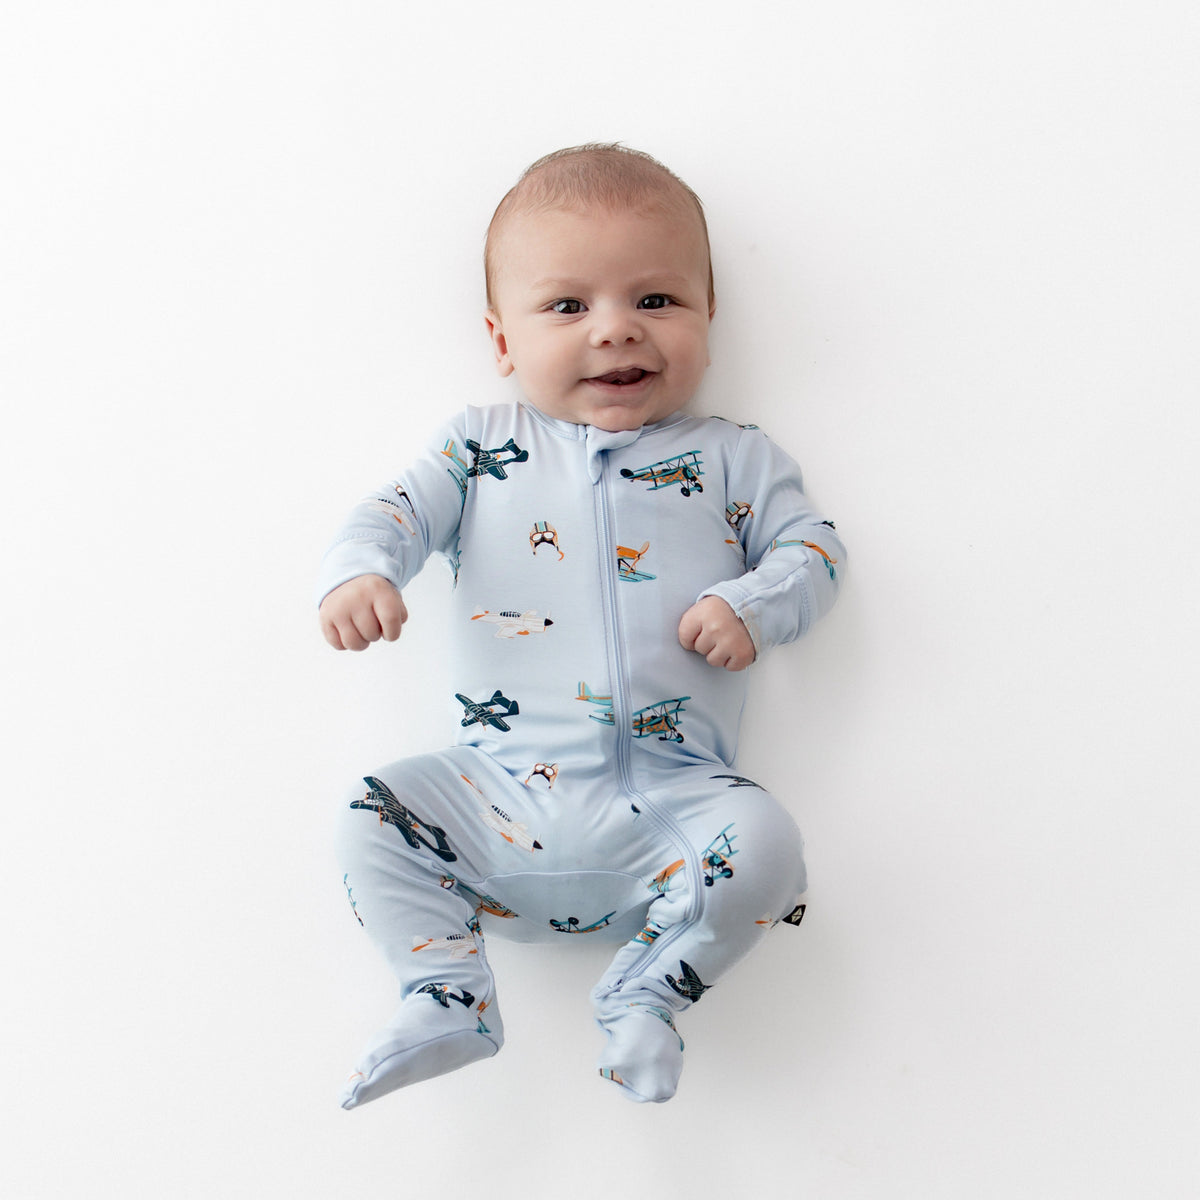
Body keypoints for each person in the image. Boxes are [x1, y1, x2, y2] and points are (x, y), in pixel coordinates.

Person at [318, 144, 845, 1108]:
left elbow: (814, 550)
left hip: (677, 811)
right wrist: (362, 572)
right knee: (369, 814)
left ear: (708, 317)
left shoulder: (732, 459)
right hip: (491, 802)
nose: (615, 332)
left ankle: (646, 993)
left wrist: (752, 604)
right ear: (502, 341)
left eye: (656, 301)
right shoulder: (478, 449)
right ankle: (446, 993)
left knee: (769, 844)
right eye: (569, 306)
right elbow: (390, 512)